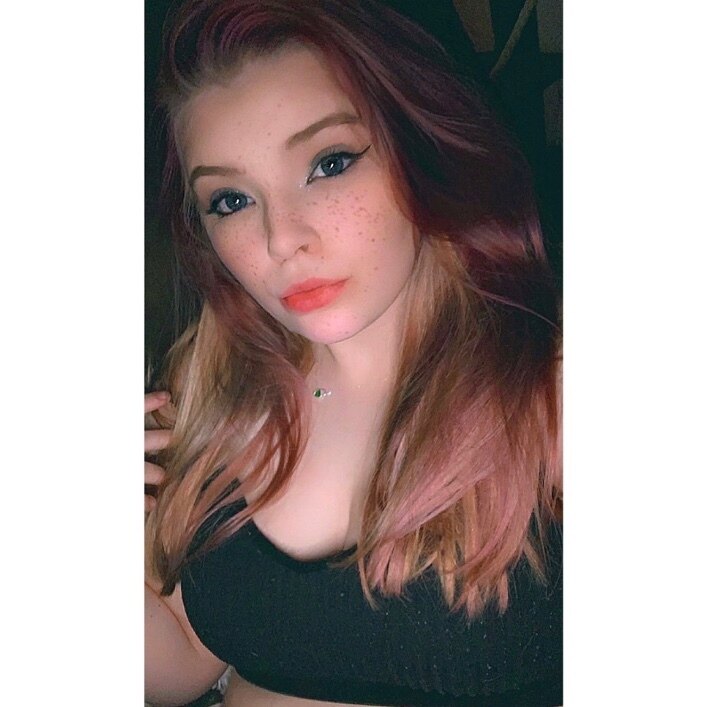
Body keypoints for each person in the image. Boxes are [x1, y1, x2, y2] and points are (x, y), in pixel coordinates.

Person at [144, 1, 562, 705]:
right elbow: (178, 666)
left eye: (328, 164)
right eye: (230, 201)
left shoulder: (551, 389)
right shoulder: (206, 388)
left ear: (422, 145)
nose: (282, 238)